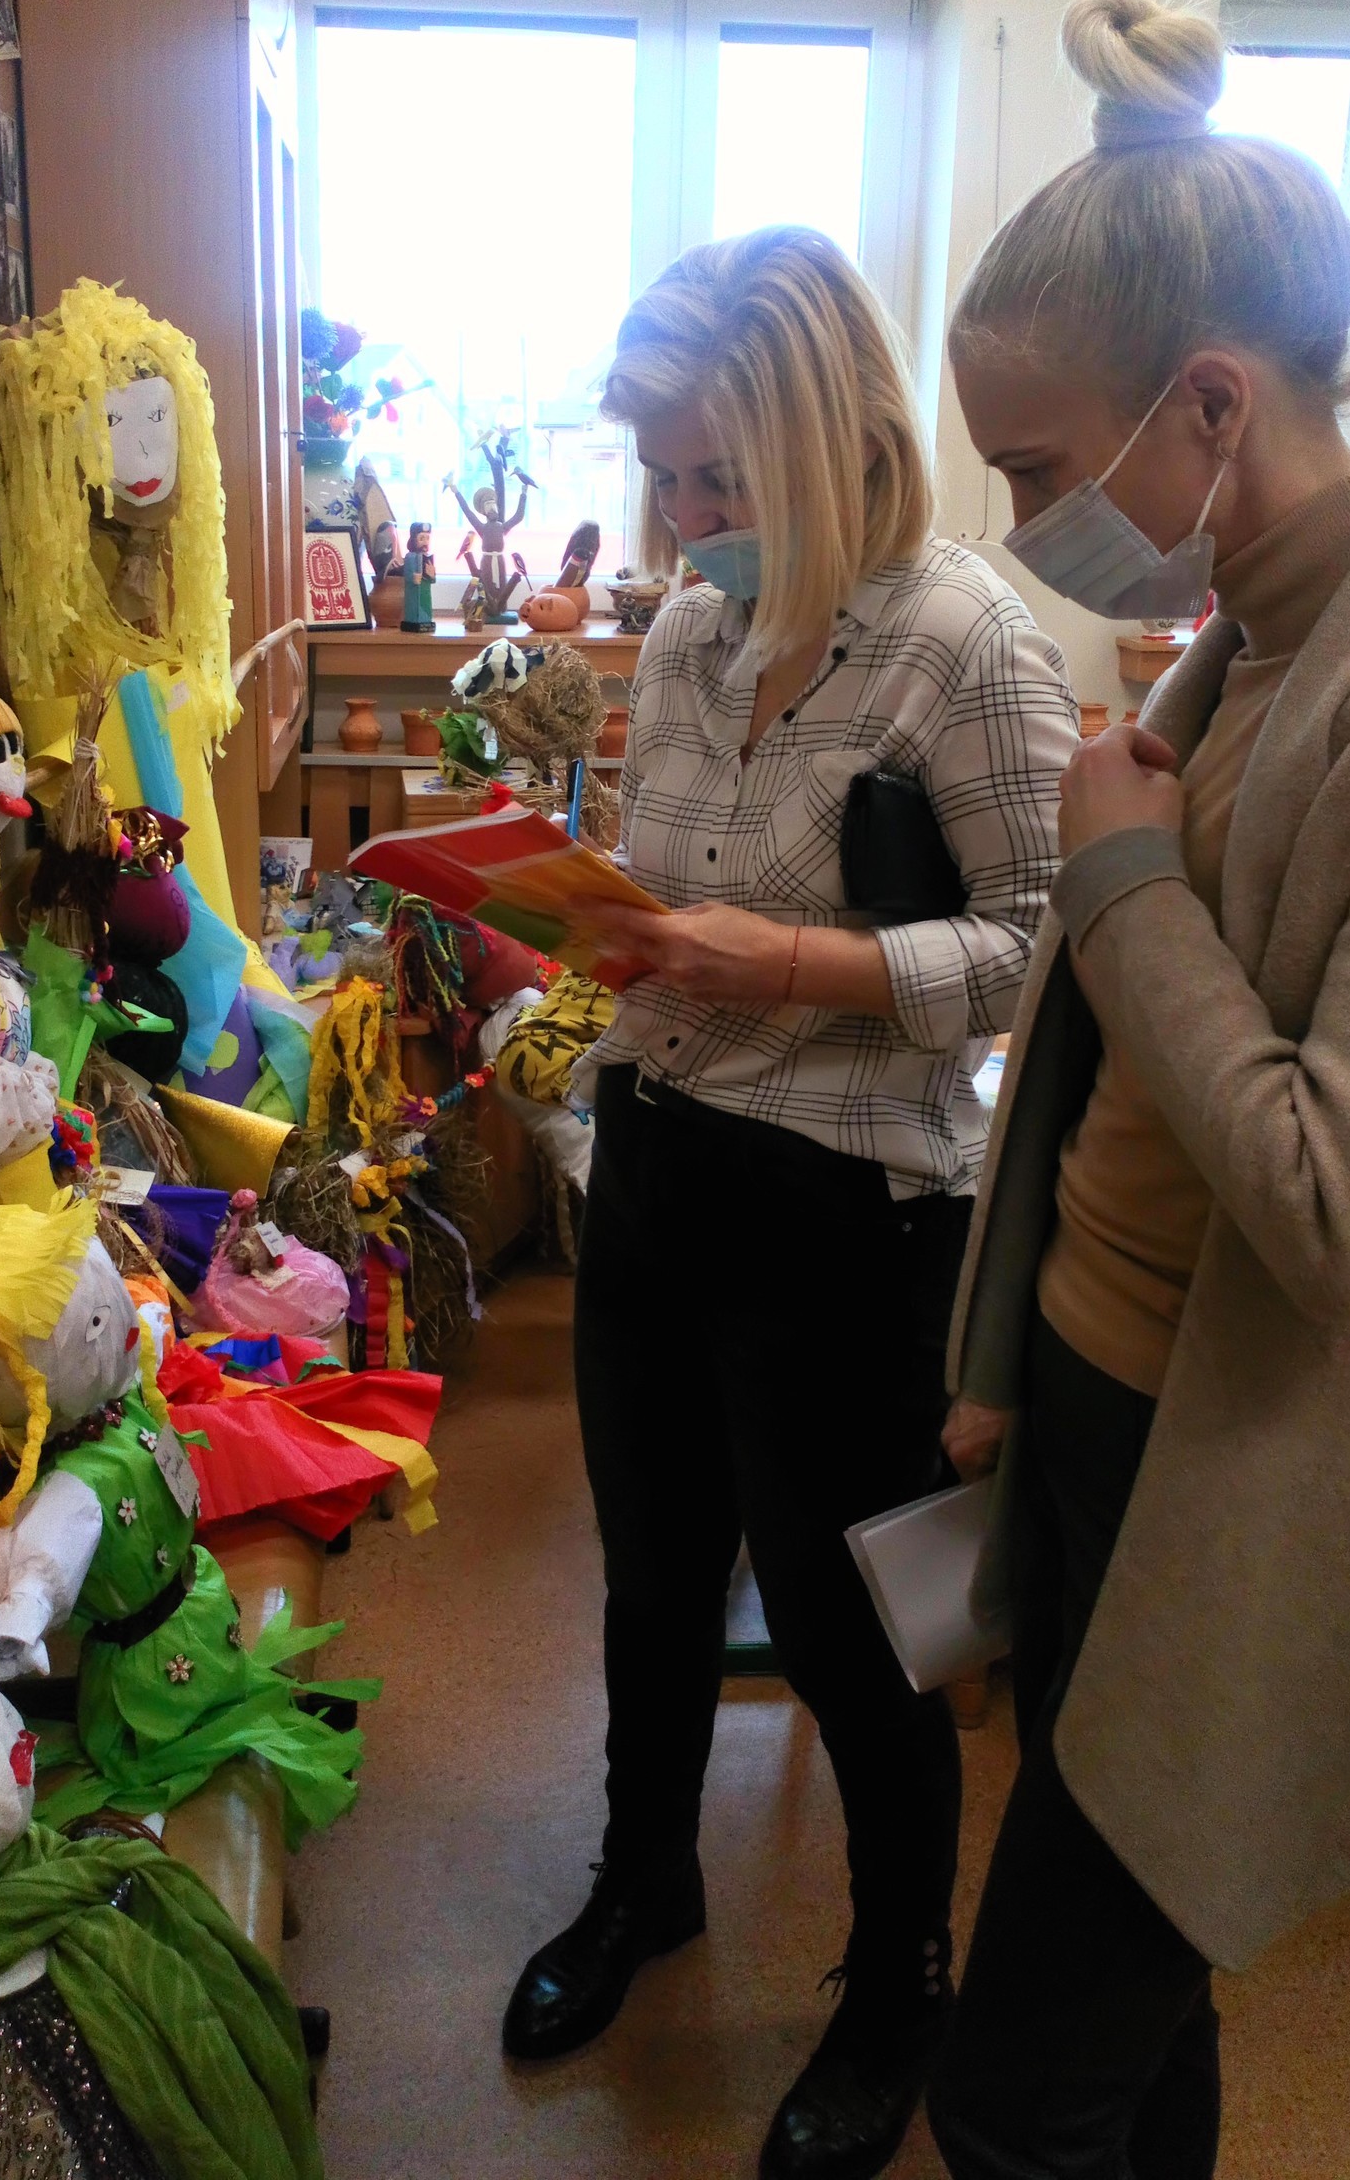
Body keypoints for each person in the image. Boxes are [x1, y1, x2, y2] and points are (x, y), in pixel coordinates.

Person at [500, 225, 1079, 2178]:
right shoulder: (685, 635)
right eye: (659, 473)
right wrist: (594, 926)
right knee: (653, 1578)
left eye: (714, 474)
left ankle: (898, 1977)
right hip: (658, 1159)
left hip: (846, 1210)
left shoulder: (968, 643)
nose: (680, 516)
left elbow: (1040, 948)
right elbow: (663, 888)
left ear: (831, 441)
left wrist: (803, 966)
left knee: (852, 1636)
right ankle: (641, 1876)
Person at [926, 0, 1350, 2180]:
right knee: (1137, 2003)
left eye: (1032, 469)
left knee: (1014, 2087)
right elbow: (1104, 1094)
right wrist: (1006, 1351)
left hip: (1231, 1470)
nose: (1023, 521)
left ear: (1206, 404)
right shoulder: (1243, 634)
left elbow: (1319, 1197)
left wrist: (1117, 880)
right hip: (1101, 1399)